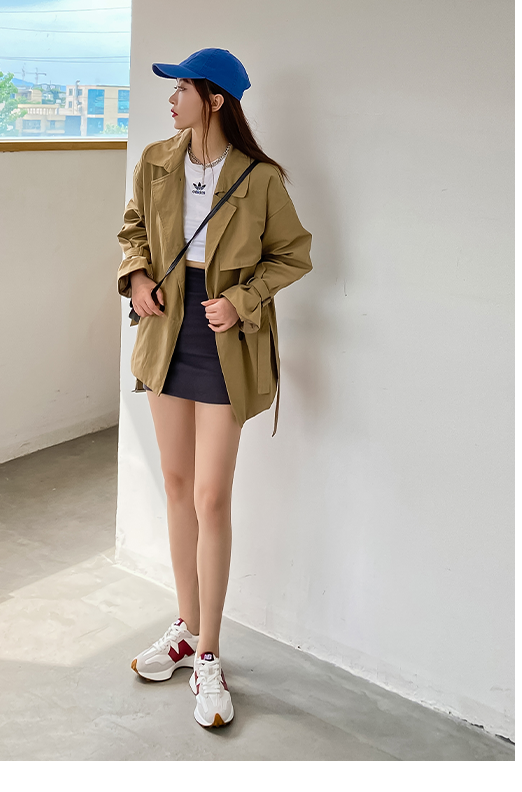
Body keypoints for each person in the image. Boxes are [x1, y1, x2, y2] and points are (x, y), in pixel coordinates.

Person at [116, 48, 313, 728]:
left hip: (223, 341)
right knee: (175, 485)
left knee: (211, 496)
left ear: (217, 99)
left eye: (182, 89)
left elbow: (294, 254)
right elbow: (133, 231)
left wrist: (242, 300)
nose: (171, 100)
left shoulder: (261, 179)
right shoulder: (155, 161)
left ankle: (208, 653)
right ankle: (184, 624)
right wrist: (138, 279)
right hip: (166, 331)